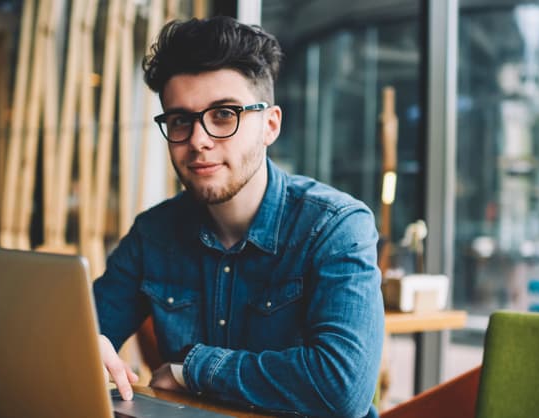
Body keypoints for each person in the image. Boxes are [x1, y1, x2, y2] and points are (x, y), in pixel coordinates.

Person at [92, 16, 384, 418]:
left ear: (270, 125)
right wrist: (83, 343)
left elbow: (341, 388)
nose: (198, 140)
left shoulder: (336, 226)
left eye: (224, 114)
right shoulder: (153, 233)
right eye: (180, 120)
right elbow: (85, 330)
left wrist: (191, 369)